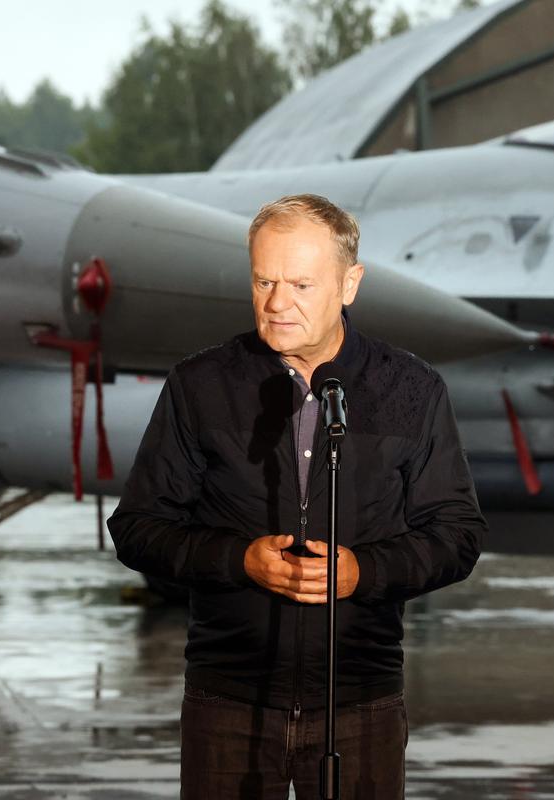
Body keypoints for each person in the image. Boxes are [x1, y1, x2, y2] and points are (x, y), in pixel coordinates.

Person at [107, 193, 486, 799]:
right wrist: (239, 560)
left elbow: (457, 534)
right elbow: (138, 528)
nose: (277, 303)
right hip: (228, 702)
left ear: (349, 284)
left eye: (301, 285)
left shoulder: (411, 389)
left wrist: (363, 571)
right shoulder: (200, 386)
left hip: (360, 704)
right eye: (264, 281)